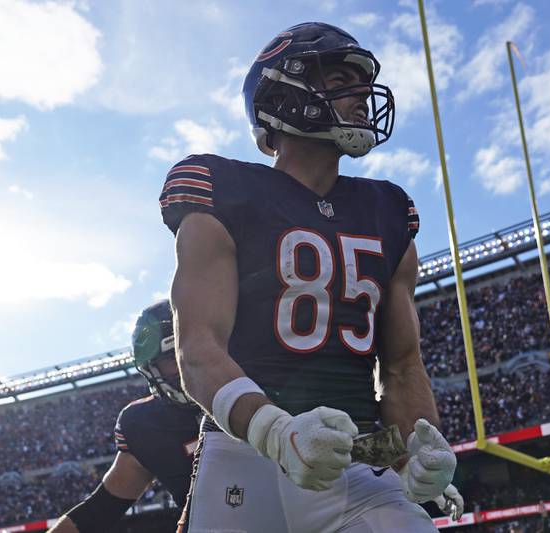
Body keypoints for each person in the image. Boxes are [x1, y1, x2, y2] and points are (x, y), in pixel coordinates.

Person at [162, 21, 459, 532]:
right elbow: (199, 348)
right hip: (247, 453)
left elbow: (403, 364)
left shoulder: (389, 211)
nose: (361, 96)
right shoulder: (220, 185)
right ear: (282, 91)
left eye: (361, 84)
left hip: (354, 461)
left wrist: (415, 449)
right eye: (340, 79)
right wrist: (276, 431)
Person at [48, 300, 200, 533]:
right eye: (172, 358)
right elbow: (101, 509)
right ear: (152, 370)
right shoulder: (146, 425)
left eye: (189, 347)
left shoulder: (260, 385)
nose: (184, 362)